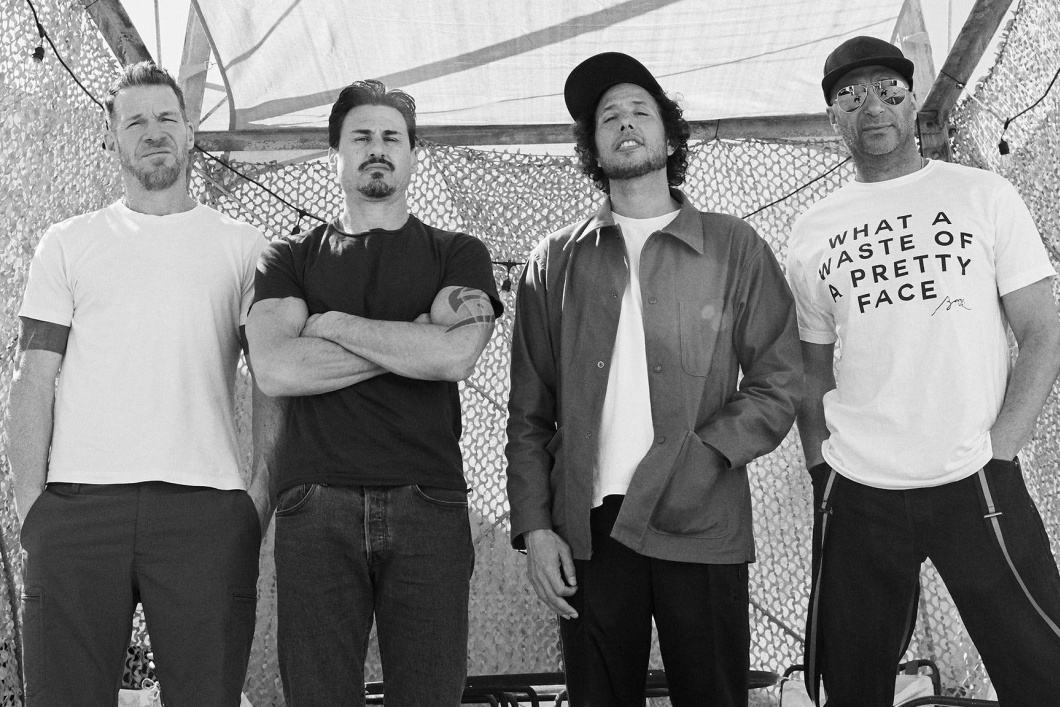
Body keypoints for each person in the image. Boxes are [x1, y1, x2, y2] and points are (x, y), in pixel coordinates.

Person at [504, 52, 802, 706]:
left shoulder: (735, 245)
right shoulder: (553, 260)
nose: (625, 122)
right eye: (608, 116)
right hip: (590, 530)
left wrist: (706, 455)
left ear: (670, 138)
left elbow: (780, 378)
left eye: (641, 110)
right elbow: (528, 411)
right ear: (593, 149)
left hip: (702, 515)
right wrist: (536, 527)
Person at [787, 36, 1060, 707]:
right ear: (833, 118)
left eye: (889, 90)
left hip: (975, 474)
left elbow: (1042, 331)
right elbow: (811, 365)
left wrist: (1000, 448)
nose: (872, 107)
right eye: (850, 96)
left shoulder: (982, 195)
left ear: (914, 102)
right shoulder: (813, 228)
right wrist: (822, 467)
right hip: (858, 486)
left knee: (1042, 668)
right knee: (851, 682)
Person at [7, 62, 269, 707]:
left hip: (206, 509)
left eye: (166, 118)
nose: (154, 132)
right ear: (110, 138)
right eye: (135, 122)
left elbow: (272, 379)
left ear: (190, 131)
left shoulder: (245, 247)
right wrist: (32, 507)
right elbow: (33, 377)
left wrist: (257, 498)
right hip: (78, 509)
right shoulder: (67, 243)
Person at [246, 78, 502, 707]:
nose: (378, 148)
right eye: (361, 136)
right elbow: (275, 369)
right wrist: (408, 342)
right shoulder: (287, 259)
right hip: (315, 504)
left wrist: (332, 324)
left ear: (413, 154)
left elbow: (454, 355)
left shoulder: (456, 253)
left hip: (429, 502)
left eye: (392, 137)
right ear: (336, 153)